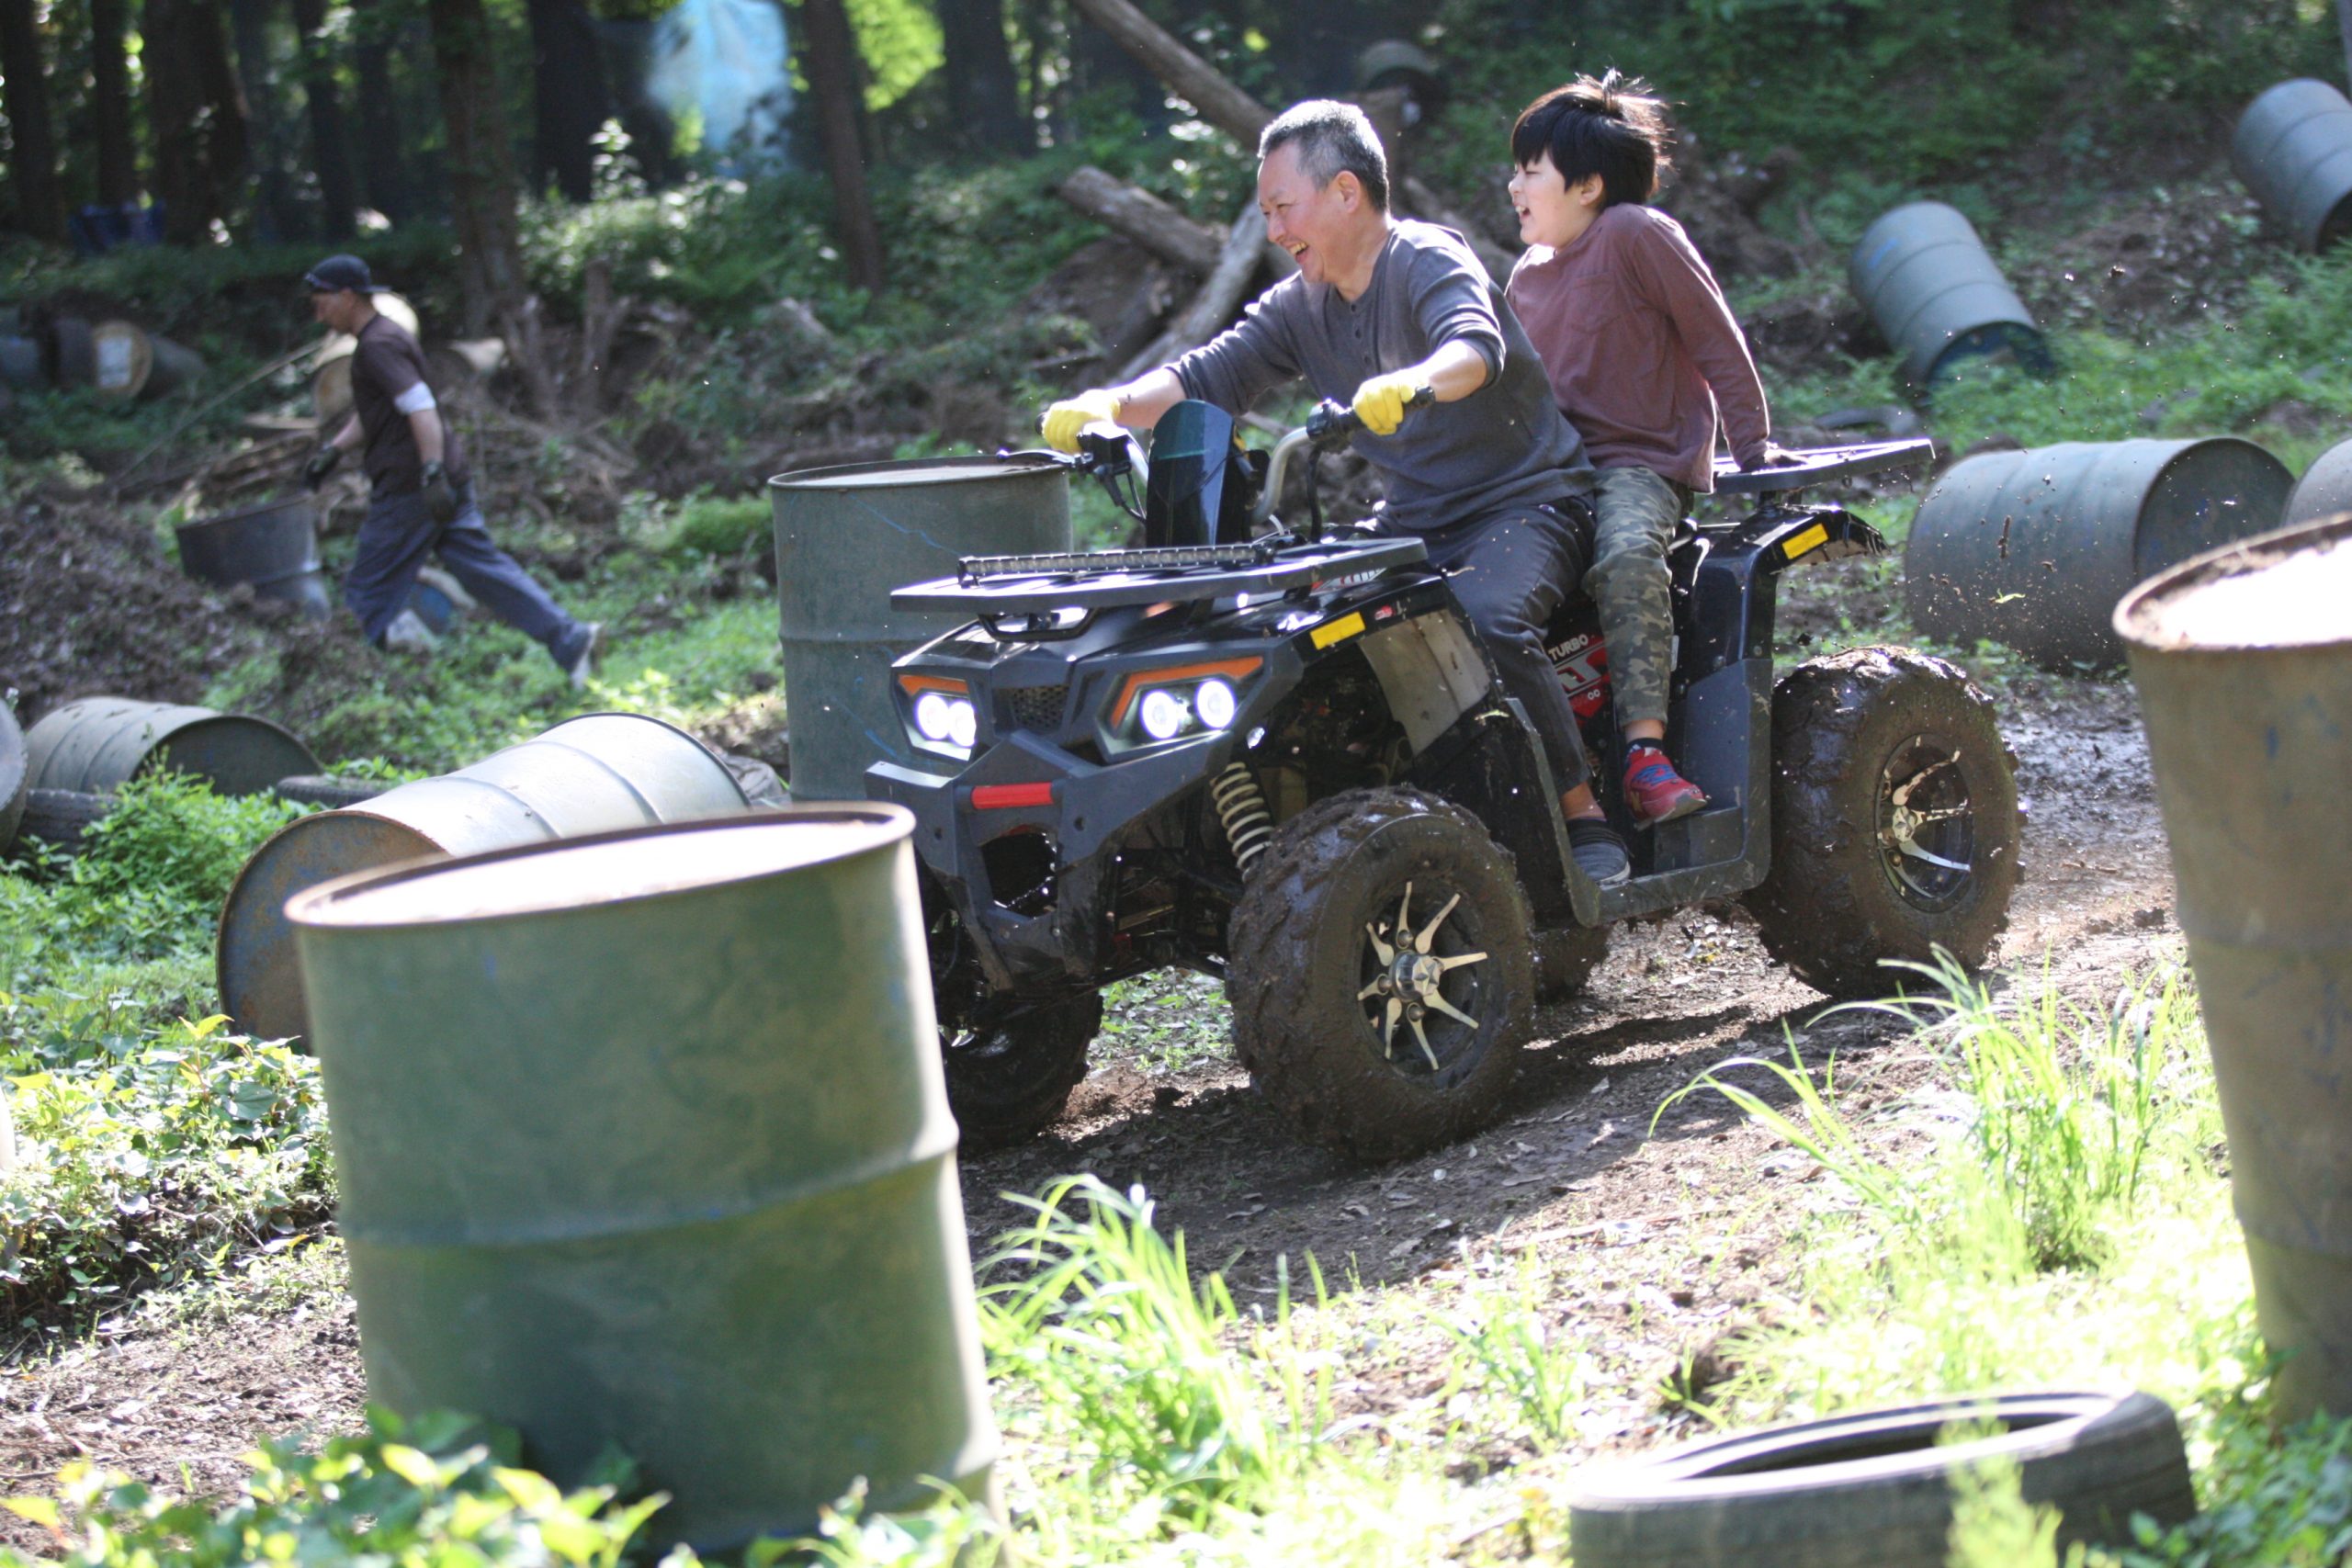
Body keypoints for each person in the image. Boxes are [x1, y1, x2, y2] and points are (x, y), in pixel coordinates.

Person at [1041, 101, 1632, 887]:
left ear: (1346, 192)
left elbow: (1474, 345)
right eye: (1266, 214)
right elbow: (1206, 376)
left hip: (1527, 502)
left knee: (1485, 618)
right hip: (1413, 522)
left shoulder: (1424, 257)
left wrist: (1415, 380)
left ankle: (1583, 813)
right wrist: (1109, 404)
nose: (1275, 230)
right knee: (1302, 624)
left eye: (1283, 207)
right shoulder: (1301, 304)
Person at [1504, 73, 1781, 827]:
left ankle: (1644, 756)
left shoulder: (1635, 234)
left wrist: (1755, 446)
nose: (1514, 187)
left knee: (1626, 556)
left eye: (1531, 171)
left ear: (1588, 185)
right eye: (1516, 171)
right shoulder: (1526, 277)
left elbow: (1715, 338)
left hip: (1638, 464)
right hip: (1553, 476)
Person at [300, 254, 601, 687]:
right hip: (439, 479)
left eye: (321, 302)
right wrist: (333, 451)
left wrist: (431, 472)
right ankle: (571, 640)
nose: (318, 313)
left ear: (347, 296)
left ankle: (350, 687)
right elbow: (378, 411)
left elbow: (420, 407)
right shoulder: (386, 338)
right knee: (484, 571)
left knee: (367, 589)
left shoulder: (377, 347)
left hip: (411, 488)